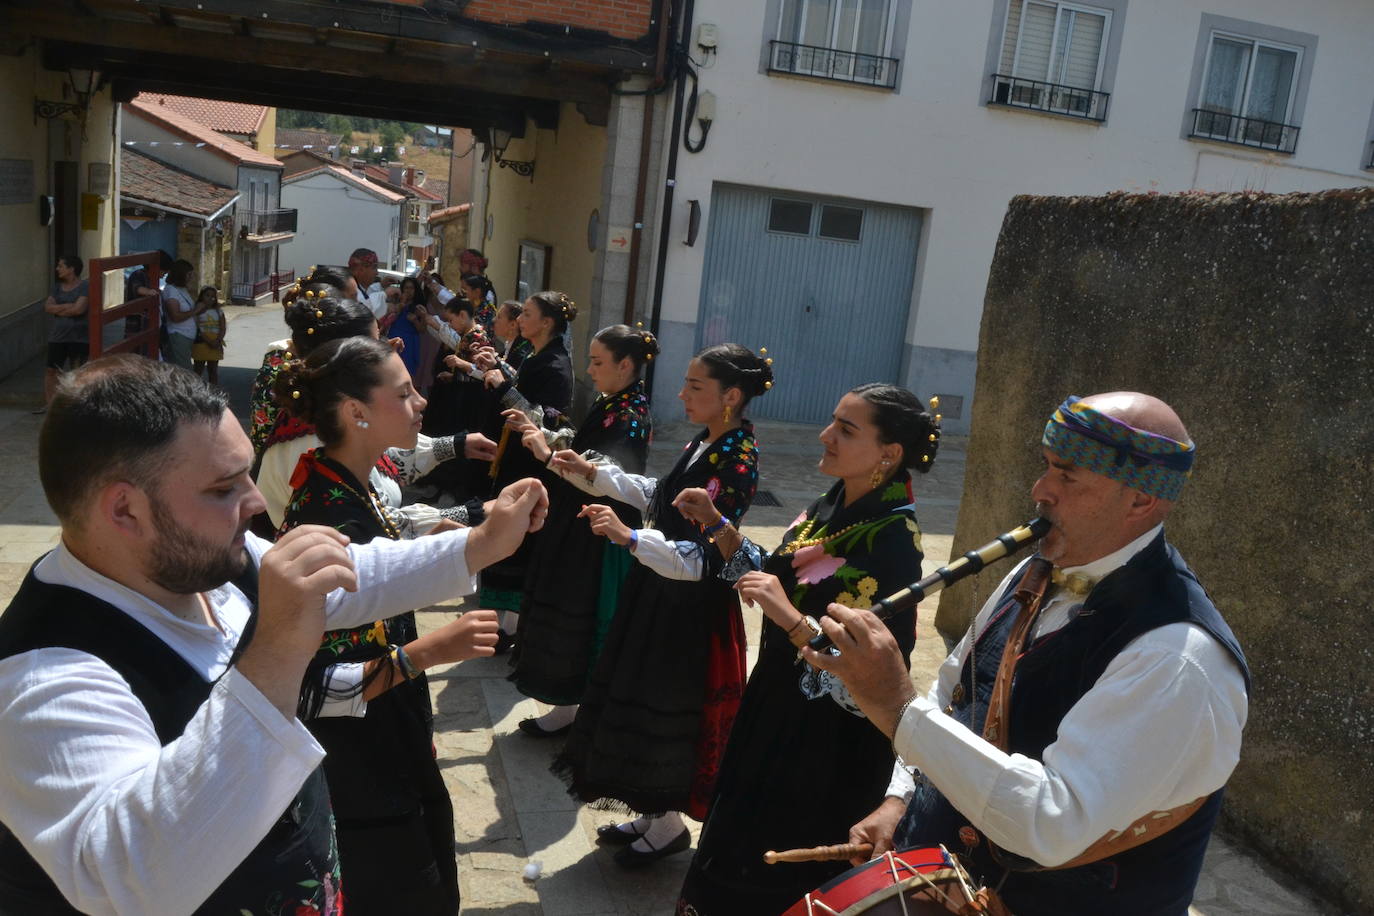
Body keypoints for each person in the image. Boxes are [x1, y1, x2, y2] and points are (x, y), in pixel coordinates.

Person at [0, 354, 548, 915]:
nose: (257, 501)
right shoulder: (43, 676)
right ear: (124, 510)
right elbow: (131, 879)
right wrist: (277, 653)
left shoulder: (198, 557)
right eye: (222, 488)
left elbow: (344, 578)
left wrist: (481, 543)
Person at [806, 392, 1250, 916]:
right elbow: (955, 691)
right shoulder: (1034, 573)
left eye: (1067, 475)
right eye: (1045, 467)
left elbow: (1051, 824)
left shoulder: (1178, 658)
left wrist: (895, 703)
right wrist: (902, 797)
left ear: (1140, 501)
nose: (1040, 491)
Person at [672, 384, 939, 914]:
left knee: (776, 868)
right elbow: (773, 574)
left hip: (823, 748)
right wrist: (719, 526)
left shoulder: (893, 543)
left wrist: (791, 620)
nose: (825, 436)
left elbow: (865, 679)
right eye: (832, 421)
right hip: (773, 708)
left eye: (846, 429)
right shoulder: (833, 502)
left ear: (889, 454)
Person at [275, 336, 499, 914]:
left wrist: (453, 530)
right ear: (357, 413)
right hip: (359, 753)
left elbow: (393, 535)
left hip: (385, 723)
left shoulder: (346, 480)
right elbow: (314, 685)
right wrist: (424, 652)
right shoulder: (329, 511)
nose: (420, 401)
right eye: (404, 393)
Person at [551, 343, 772, 867]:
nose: (681, 394)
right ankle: (654, 813)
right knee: (641, 695)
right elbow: (663, 496)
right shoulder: (707, 441)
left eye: (696, 387)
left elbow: (705, 558)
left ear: (731, 396)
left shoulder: (737, 459)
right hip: (661, 593)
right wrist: (595, 475)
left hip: (690, 611)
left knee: (671, 708)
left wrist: (631, 540)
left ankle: (668, 822)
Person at [505, 324, 657, 736]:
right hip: (578, 522)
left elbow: (603, 475)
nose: (589, 370)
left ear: (625, 365)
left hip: (595, 532)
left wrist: (545, 452)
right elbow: (584, 449)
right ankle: (567, 709)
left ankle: (576, 712)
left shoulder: (629, 414)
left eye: (596, 361)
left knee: (583, 613)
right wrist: (542, 433)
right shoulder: (616, 402)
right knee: (568, 609)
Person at [252, 295, 495, 533]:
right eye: (377, 340)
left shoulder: (333, 425)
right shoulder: (315, 449)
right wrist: (475, 515)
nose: (389, 344)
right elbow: (379, 527)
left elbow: (386, 465)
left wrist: (455, 445)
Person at [479, 291, 576, 646]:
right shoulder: (541, 356)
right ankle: (505, 625)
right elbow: (526, 387)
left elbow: (550, 418)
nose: (521, 318)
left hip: (531, 461)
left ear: (547, 323)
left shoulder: (556, 364)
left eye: (529, 314)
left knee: (521, 536)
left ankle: (511, 628)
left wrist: (503, 386)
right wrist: (502, 372)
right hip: (517, 457)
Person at [39, 255, 89, 413]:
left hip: (80, 336)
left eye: (61, 266)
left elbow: (79, 309)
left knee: (77, 372)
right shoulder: (56, 287)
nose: (57, 269)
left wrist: (60, 308)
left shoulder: (85, 286)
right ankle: (51, 405)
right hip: (58, 336)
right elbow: (47, 307)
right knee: (51, 370)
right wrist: (69, 306)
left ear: (71, 269)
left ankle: (77, 406)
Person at [161, 259, 200, 371]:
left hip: (186, 337)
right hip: (178, 336)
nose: (191, 278)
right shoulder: (171, 291)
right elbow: (175, 317)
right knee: (184, 372)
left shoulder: (181, 289)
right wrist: (195, 311)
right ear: (181, 274)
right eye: (188, 274)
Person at [191, 286, 227, 384]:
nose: (210, 298)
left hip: (215, 343)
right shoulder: (197, 311)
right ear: (201, 296)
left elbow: (223, 328)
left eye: (213, 296)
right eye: (207, 295)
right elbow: (197, 328)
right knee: (198, 370)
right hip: (201, 343)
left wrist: (218, 340)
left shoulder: (219, 311)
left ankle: (213, 392)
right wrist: (209, 341)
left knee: (213, 371)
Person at [348, 248, 387, 320]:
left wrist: (382, 286)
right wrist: (385, 294)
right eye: (374, 267)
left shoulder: (360, 288)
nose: (377, 273)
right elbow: (366, 312)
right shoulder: (351, 293)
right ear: (361, 269)